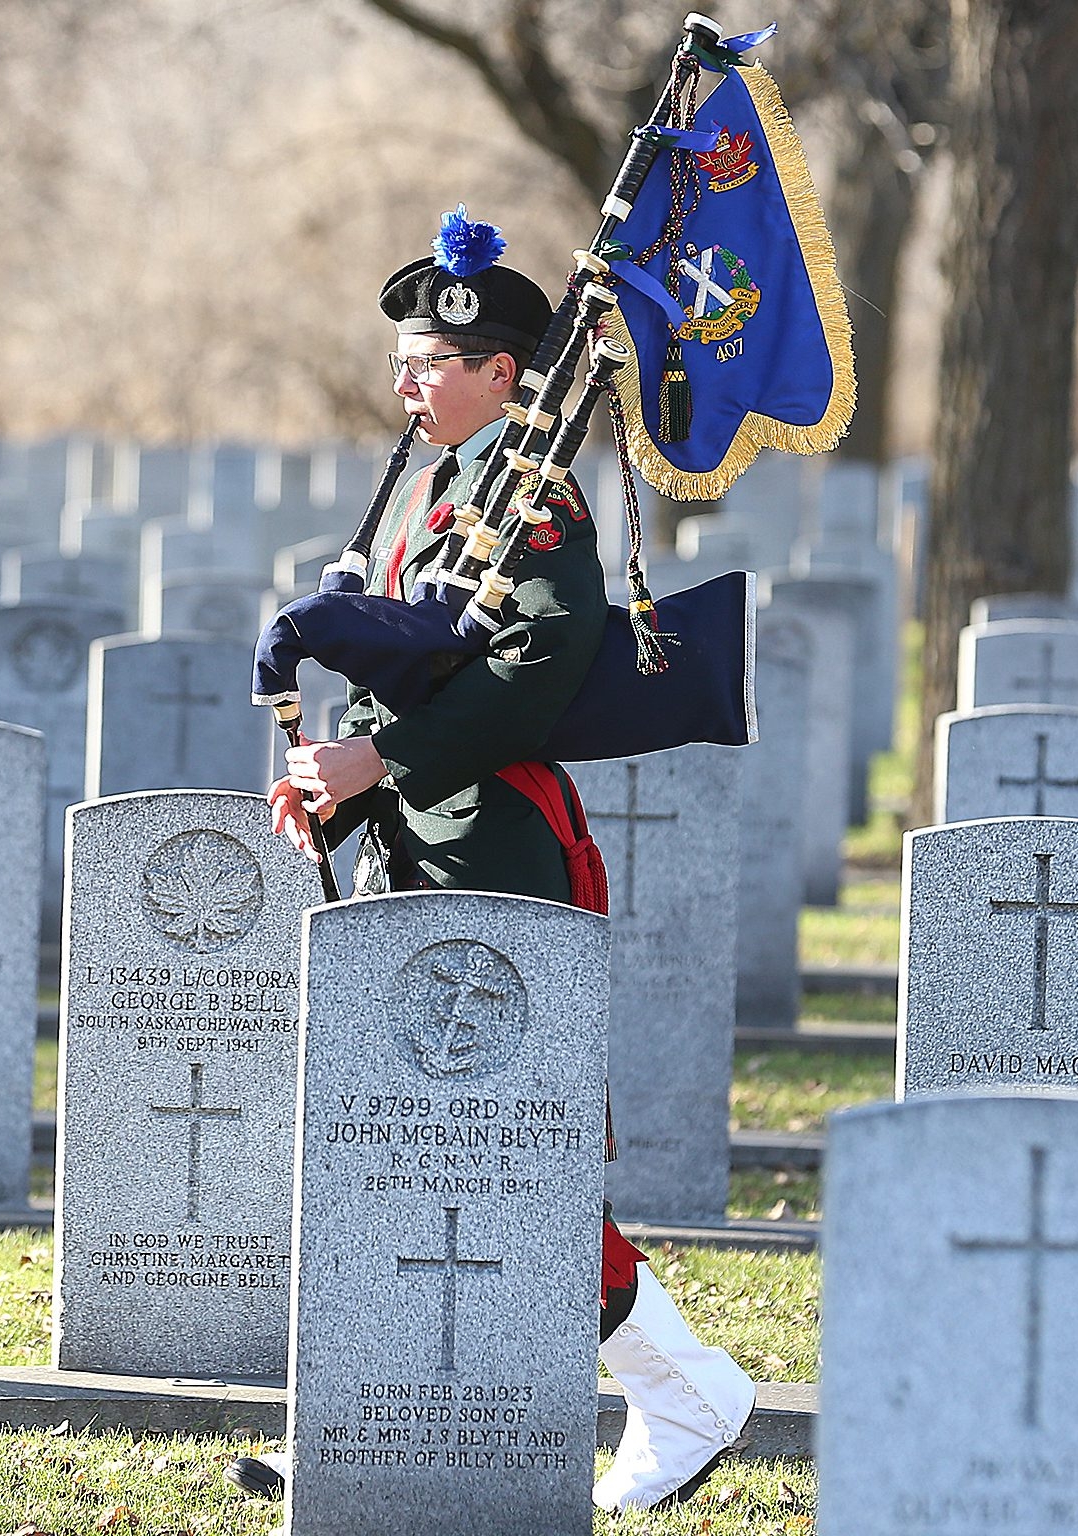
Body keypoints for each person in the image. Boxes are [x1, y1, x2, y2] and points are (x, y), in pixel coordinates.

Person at [233, 210, 755, 1512]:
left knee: (495, 1156)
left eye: (429, 363)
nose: (406, 383)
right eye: (405, 360)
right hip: (419, 842)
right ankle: (379, 1413)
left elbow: (535, 669)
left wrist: (383, 768)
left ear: (500, 372)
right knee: (410, 1147)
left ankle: (687, 1387)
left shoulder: (537, 497)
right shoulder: (429, 489)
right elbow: (418, 664)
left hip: (503, 845)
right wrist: (340, 790)